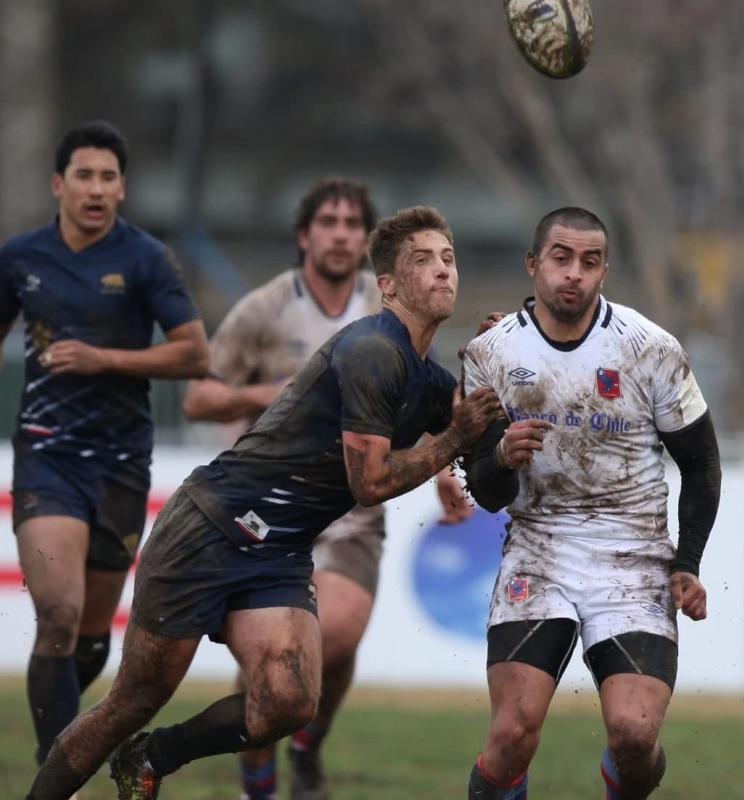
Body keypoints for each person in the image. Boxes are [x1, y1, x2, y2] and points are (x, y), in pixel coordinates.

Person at [26, 205, 502, 800]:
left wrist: (502, 365)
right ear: (387, 284)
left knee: (288, 701)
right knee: (134, 699)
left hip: (276, 550)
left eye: (449, 259)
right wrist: (454, 440)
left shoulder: (427, 378)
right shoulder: (372, 350)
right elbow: (370, 484)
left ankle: (153, 756)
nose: (442, 272)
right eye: (423, 261)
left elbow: (484, 455)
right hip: (208, 528)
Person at [182, 178, 471, 800]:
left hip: (351, 505)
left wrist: (447, 471)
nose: (340, 233)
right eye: (328, 222)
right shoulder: (264, 308)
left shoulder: (396, 298)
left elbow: (432, 402)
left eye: (351, 223)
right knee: (283, 659)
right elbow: (198, 397)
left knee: (333, 633)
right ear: (304, 236)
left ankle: (306, 743)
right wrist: (280, 395)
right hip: (269, 501)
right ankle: (258, 773)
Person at [461, 207, 722, 800]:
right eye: (561, 258)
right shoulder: (490, 354)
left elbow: (702, 465)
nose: (573, 273)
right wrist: (500, 456)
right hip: (540, 550)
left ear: (605, 271)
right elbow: (484, 488)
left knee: (634, 737)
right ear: (533, 265)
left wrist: (687, 563)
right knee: (510, 737)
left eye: (590, 261)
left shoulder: (650, 348)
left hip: (632, 557)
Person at [0, 120, 209, 775]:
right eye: (84, 176)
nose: (96, 188)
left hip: (121, 463)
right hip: (46, 456)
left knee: (89, 639)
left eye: (109, 177)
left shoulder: (146, 259)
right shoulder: (19, 259)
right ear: (58, 184)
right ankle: (55, 768)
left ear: (122, 190)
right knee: (57, 617)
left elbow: (194, 353)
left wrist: (104, 359)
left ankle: (67, 737)